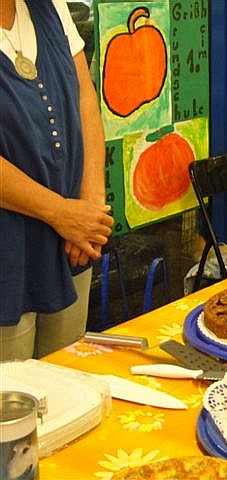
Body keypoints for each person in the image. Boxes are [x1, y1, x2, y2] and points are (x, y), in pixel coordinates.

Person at [0, 0, 113, 360]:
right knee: (14, 385)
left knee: (66, 375)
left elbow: (84, 97)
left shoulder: (51, 7)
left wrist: (90, 205)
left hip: (71, 239)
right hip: (9, 250)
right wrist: (60, 212)